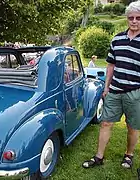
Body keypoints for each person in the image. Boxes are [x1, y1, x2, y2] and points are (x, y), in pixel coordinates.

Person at [82, 1, 140, 171]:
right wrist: (106, 88)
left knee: (133, 127)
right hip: (114, 90)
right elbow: (110, 66)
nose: (134, 21)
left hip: (135, 92)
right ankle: (98, 157)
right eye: (131, 18)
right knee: (106, 123)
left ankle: (129, 155)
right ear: (127, 19)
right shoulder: (117, 39)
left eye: (138, 18)